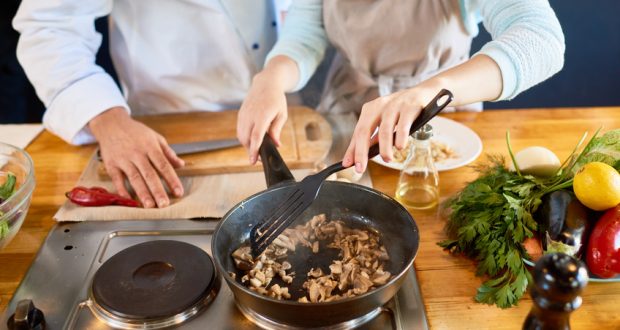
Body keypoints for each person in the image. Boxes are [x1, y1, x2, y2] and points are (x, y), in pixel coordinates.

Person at [237, 0, 565, 173]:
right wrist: (270, 78)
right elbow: (305, 36)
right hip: (348, 117)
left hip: (446, 117)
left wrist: (431, 91)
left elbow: (541, 40)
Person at [13, 0, 285, 208]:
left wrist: (280, 72)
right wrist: (106, 117)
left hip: (281, 104)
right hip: (166, 119)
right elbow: (49, 27)